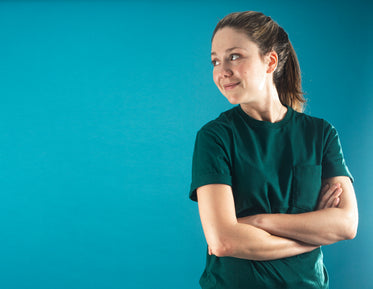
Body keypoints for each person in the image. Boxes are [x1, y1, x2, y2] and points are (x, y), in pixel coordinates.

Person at [189, 11, 358, 289]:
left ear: (270, 61)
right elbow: (224, 241)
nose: (222, 71)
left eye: (234, 56)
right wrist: (311, 235)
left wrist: (257, 221)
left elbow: (346, 224)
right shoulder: (215, 137)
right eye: (215, 61)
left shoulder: (320, 133)